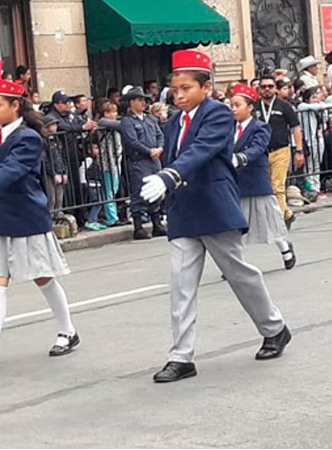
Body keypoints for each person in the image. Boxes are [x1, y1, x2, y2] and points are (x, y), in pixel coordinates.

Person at [140, 50, 291, 383]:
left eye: (185, 88)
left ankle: (274, 328)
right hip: (183, 210)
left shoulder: (218, 115)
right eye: (174, 89)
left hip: (213, 206)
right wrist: (165, 181)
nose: (178, 95)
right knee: (181, 284)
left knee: (240, 274)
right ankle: (181, 357)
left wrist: (167, 177)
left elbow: (203, 150)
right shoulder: (174, 121)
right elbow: (178, 155)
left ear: (205, 88)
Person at [0, 78, 79, 371]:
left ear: (15, 105)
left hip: (26, 217)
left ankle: (68, 330)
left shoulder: (28, 138)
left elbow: (12, 170)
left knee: (43, 277)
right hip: (1, 216)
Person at [229, 84, 296, 270]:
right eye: (231, 105)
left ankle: (285, 248)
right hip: (236, 181)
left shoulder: (260, 127)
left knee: (270, 219)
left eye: (237, 105)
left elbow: (258, 148)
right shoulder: (229, 128)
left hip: (256, 180)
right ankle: (237, 264)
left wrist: (241, 158)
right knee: (236, 224)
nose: (233, 109)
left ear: (250, 107)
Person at [255, 74, 304, 229]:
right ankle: (287, 214)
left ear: (275, 89)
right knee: (266, 187)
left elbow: (296, 128)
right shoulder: (254, 107)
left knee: (278, 186)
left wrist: (299, 150)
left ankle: (281, 218)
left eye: (270, 86)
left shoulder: (284, 106)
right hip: (261, 152)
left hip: (281, 150)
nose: (267, 89)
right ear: (258, 89)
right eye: (264, 87)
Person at [119, 87, 167, 240]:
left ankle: (156, 224)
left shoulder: (150, 119)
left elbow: (160, 135)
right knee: (140, 192)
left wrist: (159, 148)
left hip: (154, 160)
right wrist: (149, 151)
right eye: (139, 100)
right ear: (131, 102)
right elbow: (132, 141)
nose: (143, 103)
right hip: (139, 161)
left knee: (157, 192)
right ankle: (138, 227)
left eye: (144, 100)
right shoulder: (127, 121)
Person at [40, 116, 66, 216]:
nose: (55, 127)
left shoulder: (57, 138)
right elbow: (45, 160)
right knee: (52, 198)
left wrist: (64, 171)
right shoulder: (43, 141)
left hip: (59, 170)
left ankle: (58, 216)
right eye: (52, 125)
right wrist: (54, 173)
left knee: (59, 198)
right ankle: (50, 217)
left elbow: (62, 155)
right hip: (49, 173)